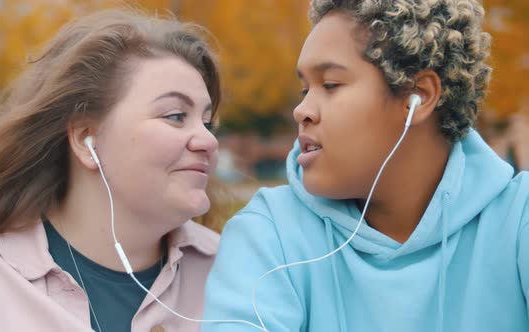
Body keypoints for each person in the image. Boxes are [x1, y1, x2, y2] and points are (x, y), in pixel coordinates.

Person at [202, 1, 529, 331]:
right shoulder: (268, 232)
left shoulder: (519, 221)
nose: (302, 110)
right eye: (305, 89)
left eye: (330, 85)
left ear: (419, 96)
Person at [0, 9, 222, 332]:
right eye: (175, 115)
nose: (207, 140)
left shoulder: (238, 270)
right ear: (85, 138)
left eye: (207, 122)